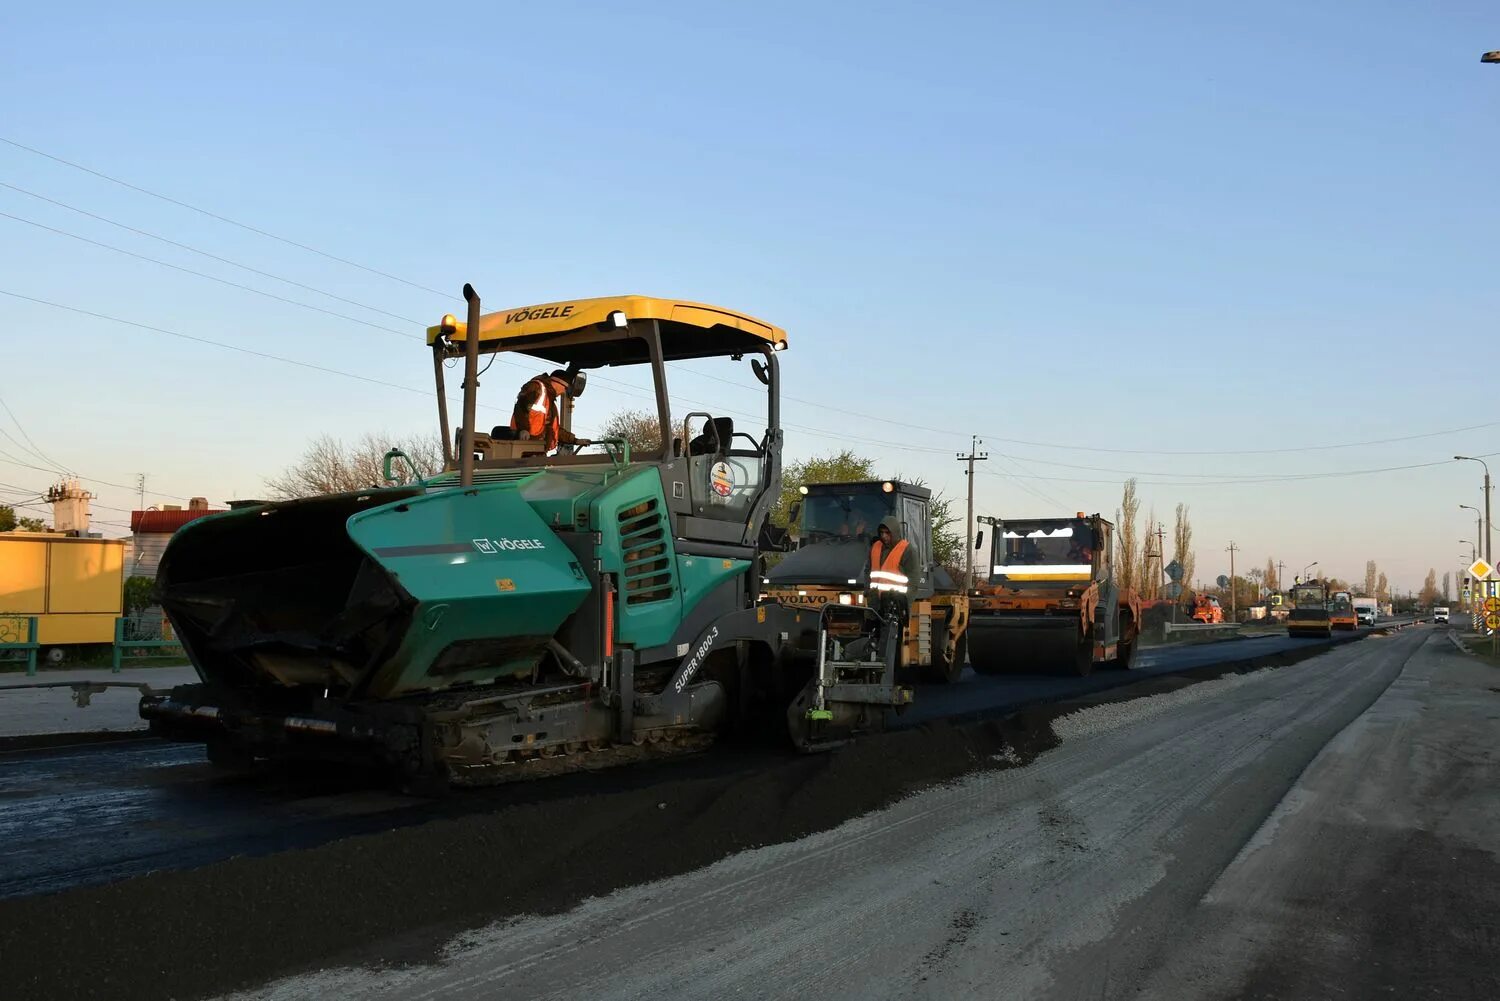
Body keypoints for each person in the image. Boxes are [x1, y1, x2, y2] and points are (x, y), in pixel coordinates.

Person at [511, 370, 583, 453]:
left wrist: (575, 440)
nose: (563, 391)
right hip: (523, 446)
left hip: (538, 449)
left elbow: (554, 429)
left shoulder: (550, 403)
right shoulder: (536, 387)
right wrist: (523, 429)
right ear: (558, 383)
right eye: (565, 388)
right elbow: (521, 407)